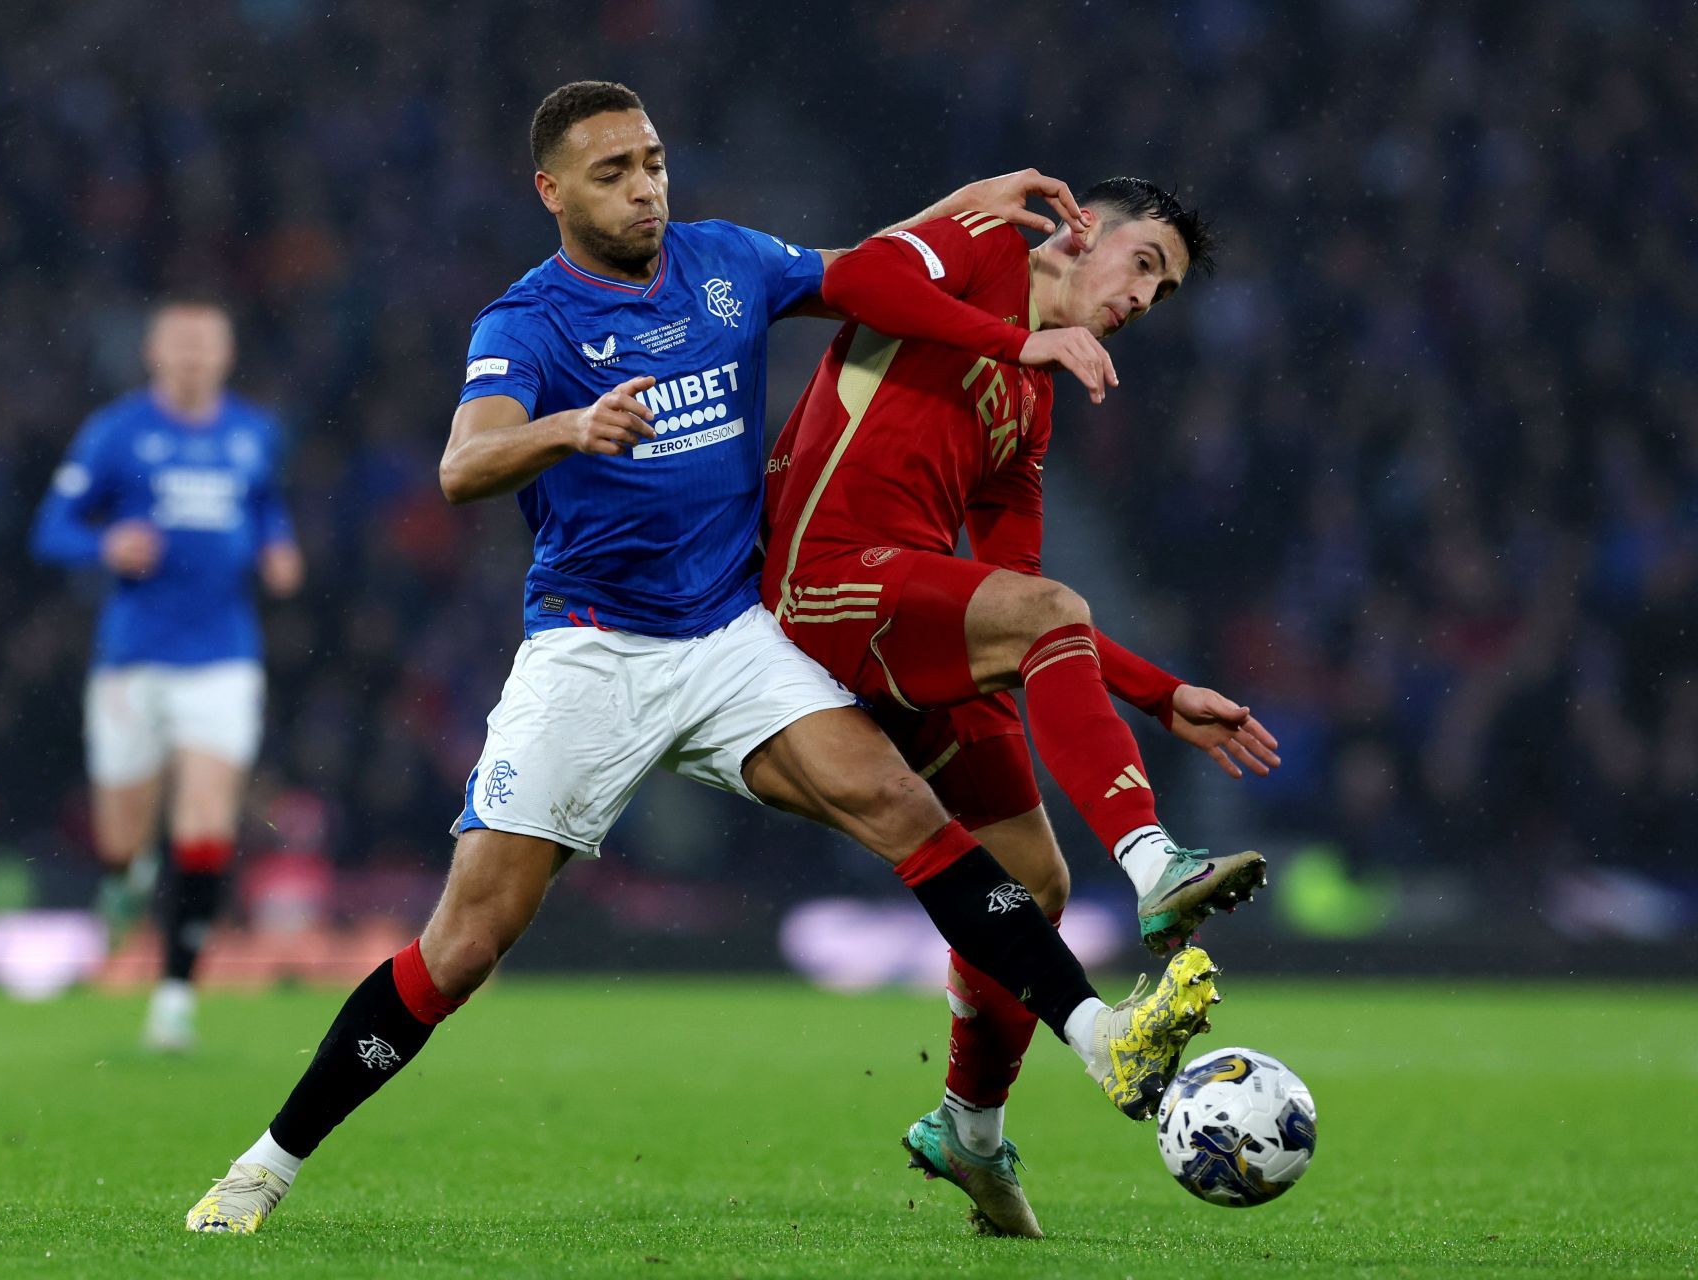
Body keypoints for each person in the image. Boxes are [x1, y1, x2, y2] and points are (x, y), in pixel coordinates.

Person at [184, 82, 1221, 1236]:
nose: (645, 188)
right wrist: (568, 427)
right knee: (466, 942)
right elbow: (463, 465)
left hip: (733, 638)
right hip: (590, 650)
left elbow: (867, 272)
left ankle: (1099, 1037)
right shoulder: (525, 323)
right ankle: (264, 1165)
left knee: (906, 807)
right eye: (615, 171)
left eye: (654, 162)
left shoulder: (725, 264)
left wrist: (966, 206)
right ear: (553, 191)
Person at [761, 178, 1277, 1236]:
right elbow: (854, 278)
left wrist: (1161, 690)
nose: (1143, 297)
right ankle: (1154, 863)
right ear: (1084, 225)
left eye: (1163, 291)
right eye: (1141, 262)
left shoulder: (1029, 404)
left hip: (903, 620)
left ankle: (971, 1130)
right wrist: (1014, 341)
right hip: (820, 583)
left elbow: (1036, 613)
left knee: (1034, 880)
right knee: (1041, 632)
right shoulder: (987, 241)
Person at [31, 298, 304, 1051]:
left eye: (204, 345)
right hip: (132, 658)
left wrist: (279, 547)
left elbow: (267, 508)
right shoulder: (117, 433)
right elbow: (50, 529)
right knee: (123, 836)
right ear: (153, 354)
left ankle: (176, 995)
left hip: (222, 657)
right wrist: (105, 544)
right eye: (177, 345)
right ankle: (124, 881)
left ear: (225, 354)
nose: (191, 357)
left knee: (206, 820)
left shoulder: (254, 434)